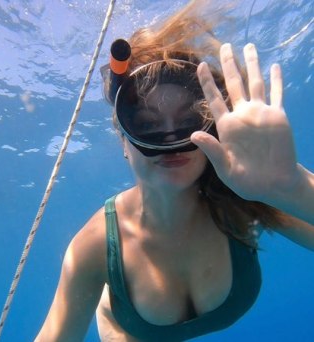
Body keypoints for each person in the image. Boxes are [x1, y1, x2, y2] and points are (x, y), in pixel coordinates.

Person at [35, 1, 314, 341]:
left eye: (187, 123)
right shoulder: (94, 248)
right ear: (125, 140)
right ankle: (108, 301)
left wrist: (291, 188)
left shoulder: (244, 196)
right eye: (148, 125)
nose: (170, 140)